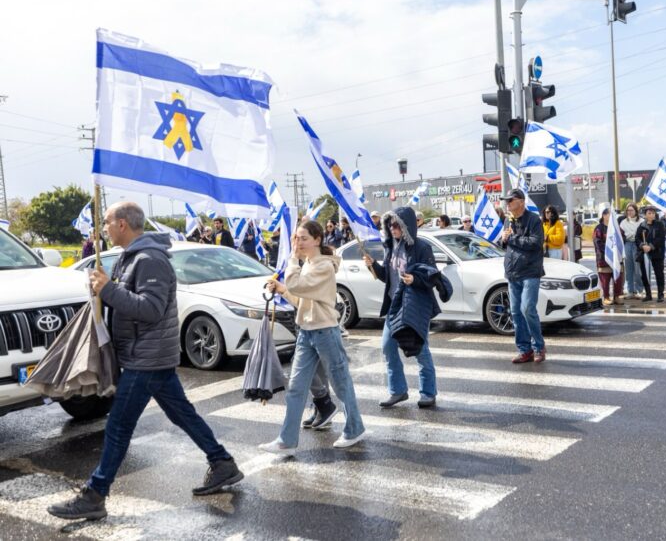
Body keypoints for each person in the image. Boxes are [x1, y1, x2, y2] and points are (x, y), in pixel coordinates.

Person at [47, 202, 243, 521]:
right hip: (150, 355)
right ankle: (222, 463)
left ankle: (95, 495)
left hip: (146, 358)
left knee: (118, 427)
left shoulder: (149, 259)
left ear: (123, 224)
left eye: (108, 222)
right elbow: (129, 301)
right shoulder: (135, 256)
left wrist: (108, 289)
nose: (104, 228)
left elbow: (150, 309)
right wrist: (102, 291)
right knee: (184, 414)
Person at [260, 220, 365, 456]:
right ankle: (286, 440)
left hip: (325, 331)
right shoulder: (307, 264)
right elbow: (300, 299)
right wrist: (282, 290)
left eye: (303, 238)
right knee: (296, 387)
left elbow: (296, 285)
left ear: (317, 240)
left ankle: (355, 428)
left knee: (340, 383)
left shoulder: (323, 266)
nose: (298, 242)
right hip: (306, 332)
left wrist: (291, 263)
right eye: (296, 238)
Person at [364, 207, 440, 407]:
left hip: (415, 305)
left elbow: (432, 276)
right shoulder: (390, 246)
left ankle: (428, 393)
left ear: (407, 226)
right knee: (388, 347)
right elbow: (386, 277)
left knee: (420, 349)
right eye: (390, 225)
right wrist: (373, 265)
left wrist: (415, 279)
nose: (393, 228)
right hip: (394, 305)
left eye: (396, 225)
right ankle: (398, 391)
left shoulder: (421, 248)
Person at [501, 189, 546, 364]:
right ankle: (524, 350)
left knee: (527, 309)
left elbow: (535, 243)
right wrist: (504, 239)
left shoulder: (534, 220)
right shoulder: (508, 220)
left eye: (511, 200)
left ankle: (539, 347)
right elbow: (505, 244)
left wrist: (511, 238)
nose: (508, 203)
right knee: (516, 313)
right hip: (513, 272)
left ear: (521, 201)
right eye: (506, 201)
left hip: (530, 272)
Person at [635, 207, 666, 302]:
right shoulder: (641, 225)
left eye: (653, 213)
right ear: (645, 215)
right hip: (644, 254)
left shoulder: (659, 224)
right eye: (649, 213)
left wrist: (651, 246)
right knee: (644, 274)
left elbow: (661, 238)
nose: (651, 215)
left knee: (659, 274)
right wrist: (642, 245)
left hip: (657, 253)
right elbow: (637, 238)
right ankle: (648, 294)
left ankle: (660, 294)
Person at [594, 208, 624, 307]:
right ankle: (606, 297)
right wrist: (608, 251)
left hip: (616, 258)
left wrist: (617, 251)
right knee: (605, 280)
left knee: (618, 278)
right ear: (604, 215)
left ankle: (617, 296)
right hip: (604, 258)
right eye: (609, 214)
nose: (611, 216)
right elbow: (597, 242)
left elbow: (622, 238)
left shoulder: (616, 227)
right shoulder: (598, 228)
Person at [619, 203, 644, 299]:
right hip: (627, 244)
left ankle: (640, 290)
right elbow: (622, 235)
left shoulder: (641, 221)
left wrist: (632, 234)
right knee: (628, 269)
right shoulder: (623, 222)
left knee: (638, 269)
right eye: (628, 210)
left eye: (631, 210)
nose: (629, 212)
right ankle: (630, 290)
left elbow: (641, 234)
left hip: (638, 245)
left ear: (636, 211)